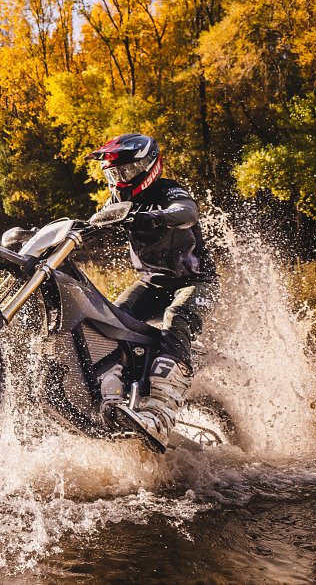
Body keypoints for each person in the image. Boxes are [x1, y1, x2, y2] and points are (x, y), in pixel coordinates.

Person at [88, 132, 218, 452]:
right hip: (153, 283)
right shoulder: (118, 201)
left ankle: (161, 411)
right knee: (108, 320)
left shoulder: (167, 190)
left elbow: (187, 212)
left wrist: (156, 215)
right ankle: (111, 393)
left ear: (148, 166)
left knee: (176, 318)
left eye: (126, 172)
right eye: (114, 173)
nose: (120, 179)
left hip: (196, 282)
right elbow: (93, 225)